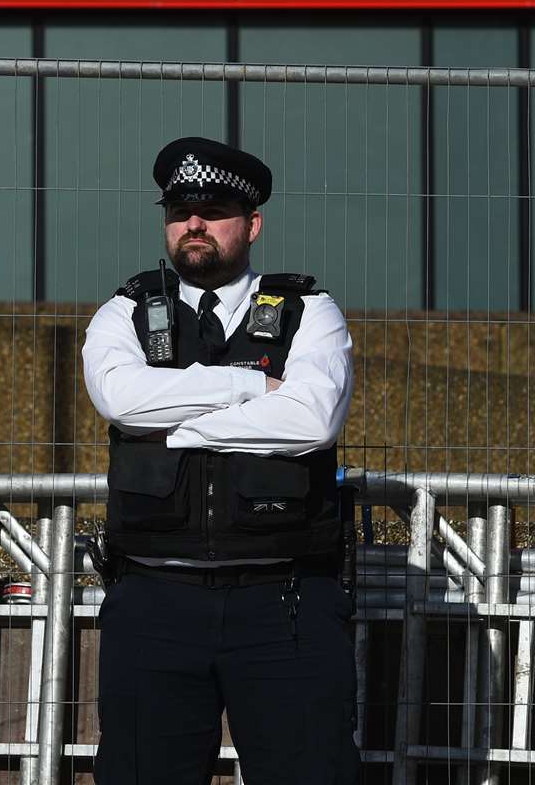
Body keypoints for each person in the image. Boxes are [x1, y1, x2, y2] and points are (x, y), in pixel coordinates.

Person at [81, 136, 358, 785]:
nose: (194, 223)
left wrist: (173, 424)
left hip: (284, 602)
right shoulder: (124, 312)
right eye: (179, 209)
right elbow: (122, 400)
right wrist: (244, 386)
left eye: (213, 207)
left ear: (252, 222)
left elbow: (311, 421)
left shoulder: (308, 313)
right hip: (153, 598)